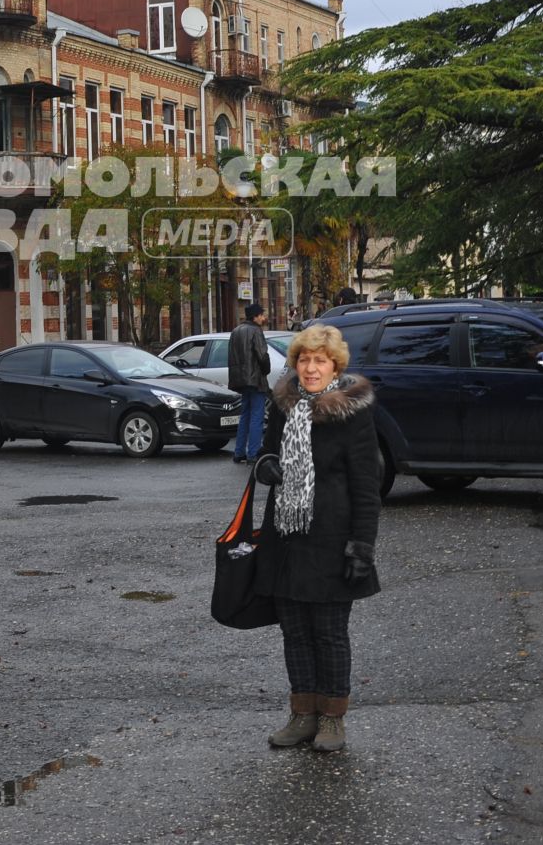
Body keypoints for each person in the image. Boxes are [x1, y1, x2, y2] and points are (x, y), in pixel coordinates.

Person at [251, 323, 382, 753]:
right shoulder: (283, 404)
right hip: (286, 536)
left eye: (319, 361)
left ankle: (331, 719)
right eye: (304, 360)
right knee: (295, 632)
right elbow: (266, 452)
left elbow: (367, 485)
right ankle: (302, 714)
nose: (310, 368)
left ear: (335, 366)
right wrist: (267, 466)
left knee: (329, 633)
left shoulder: (353, 413)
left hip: (332, 537)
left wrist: (362, 545)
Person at [228, 303, 271, 465]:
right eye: (261, 315)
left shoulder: (236, 331)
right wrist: (266, 370)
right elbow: (262, 356)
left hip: (240, 379)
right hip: (255, 379)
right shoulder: (255, 331)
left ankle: (239, 452)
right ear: (255, 316)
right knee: (257, 416)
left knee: (245, 415)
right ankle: (253, 452)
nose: (263, 317)